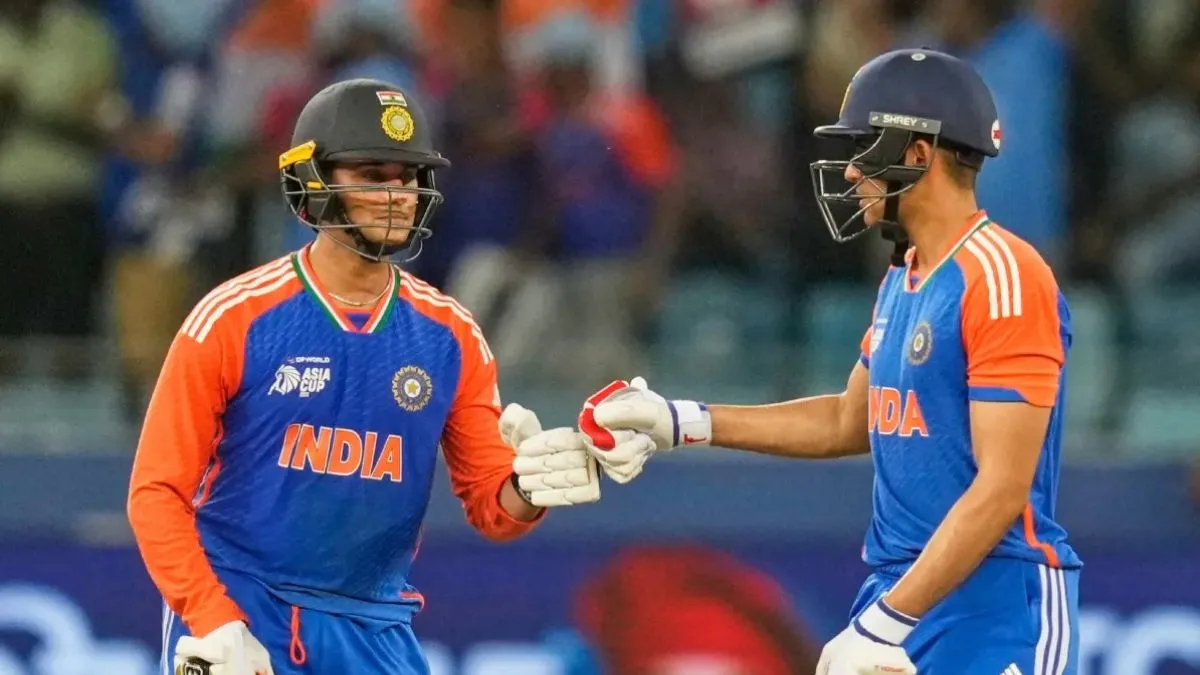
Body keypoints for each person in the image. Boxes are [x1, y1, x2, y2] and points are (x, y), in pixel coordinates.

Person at [577, 48, 1081, 675]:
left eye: (864, 147)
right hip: (907, 589)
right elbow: (848, 419)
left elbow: (1002, 490)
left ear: (918, 152)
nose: (849, 171)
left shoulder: (1005, 276)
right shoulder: (905, 276)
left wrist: (885, 622)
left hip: (996, 604)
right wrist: (683, 421)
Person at [126, 78, 618, 675]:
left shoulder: (451, 334)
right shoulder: (234, 318)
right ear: (313, 181)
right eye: (373, 175)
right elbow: (156, 493)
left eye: (408, 177)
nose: (399, 195)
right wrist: (213, 616)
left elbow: (493, 505)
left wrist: (533, 486)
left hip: (375, 625)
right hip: (243, 608)